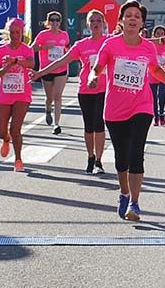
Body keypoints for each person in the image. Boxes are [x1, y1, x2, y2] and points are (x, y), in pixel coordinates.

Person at [89, 0, 165, 222]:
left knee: (135, 152)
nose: (132, 19)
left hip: (141, 105)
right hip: (114, 108)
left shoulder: (148, 47)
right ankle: (124, 192)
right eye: (128, 15)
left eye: (136, 17)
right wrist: (93, 77)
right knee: (121, 157)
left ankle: (135, 203)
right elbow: (97, 67)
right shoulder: (111, 45)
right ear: (121, 21)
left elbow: (155, 69)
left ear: (142, 23)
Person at [34, 9, 109, 175]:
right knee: (89, 126)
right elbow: (62, 60)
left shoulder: (110, 41)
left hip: (104, 88)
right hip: (85, 89)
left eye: (98, 21)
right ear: (88, 25)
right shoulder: (81, 45)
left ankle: (99, 161)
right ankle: (90, 156)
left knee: (99, 123)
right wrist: (40, 73)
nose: (96, 24)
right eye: (92, 21)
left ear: (103, 24)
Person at [0, 18, 35, 173]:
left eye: (18, 32)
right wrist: (8, 66)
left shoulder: (27, 49)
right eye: (12, 33)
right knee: (1, 131)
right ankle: (5, 139)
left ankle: (18, 159)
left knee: (15, 129)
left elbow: (31, 64)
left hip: (22, 95)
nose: (15, 35)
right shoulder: (1, 51)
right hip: (4, 95)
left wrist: (16, 60)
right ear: (8, 33)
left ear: (22, 33)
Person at [32, 11, 70, 134]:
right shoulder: (43, 35)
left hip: (61, 69)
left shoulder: (64, 35)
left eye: (57, 20)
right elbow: (31, 48)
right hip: (46, 69)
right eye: (52, 20)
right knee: (50, 97)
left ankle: (57, 124)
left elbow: (68, 49)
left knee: (58, 96)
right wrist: (44, 47)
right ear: (48, 22)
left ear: (60, 22)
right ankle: (48, 108)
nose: (55, 22)